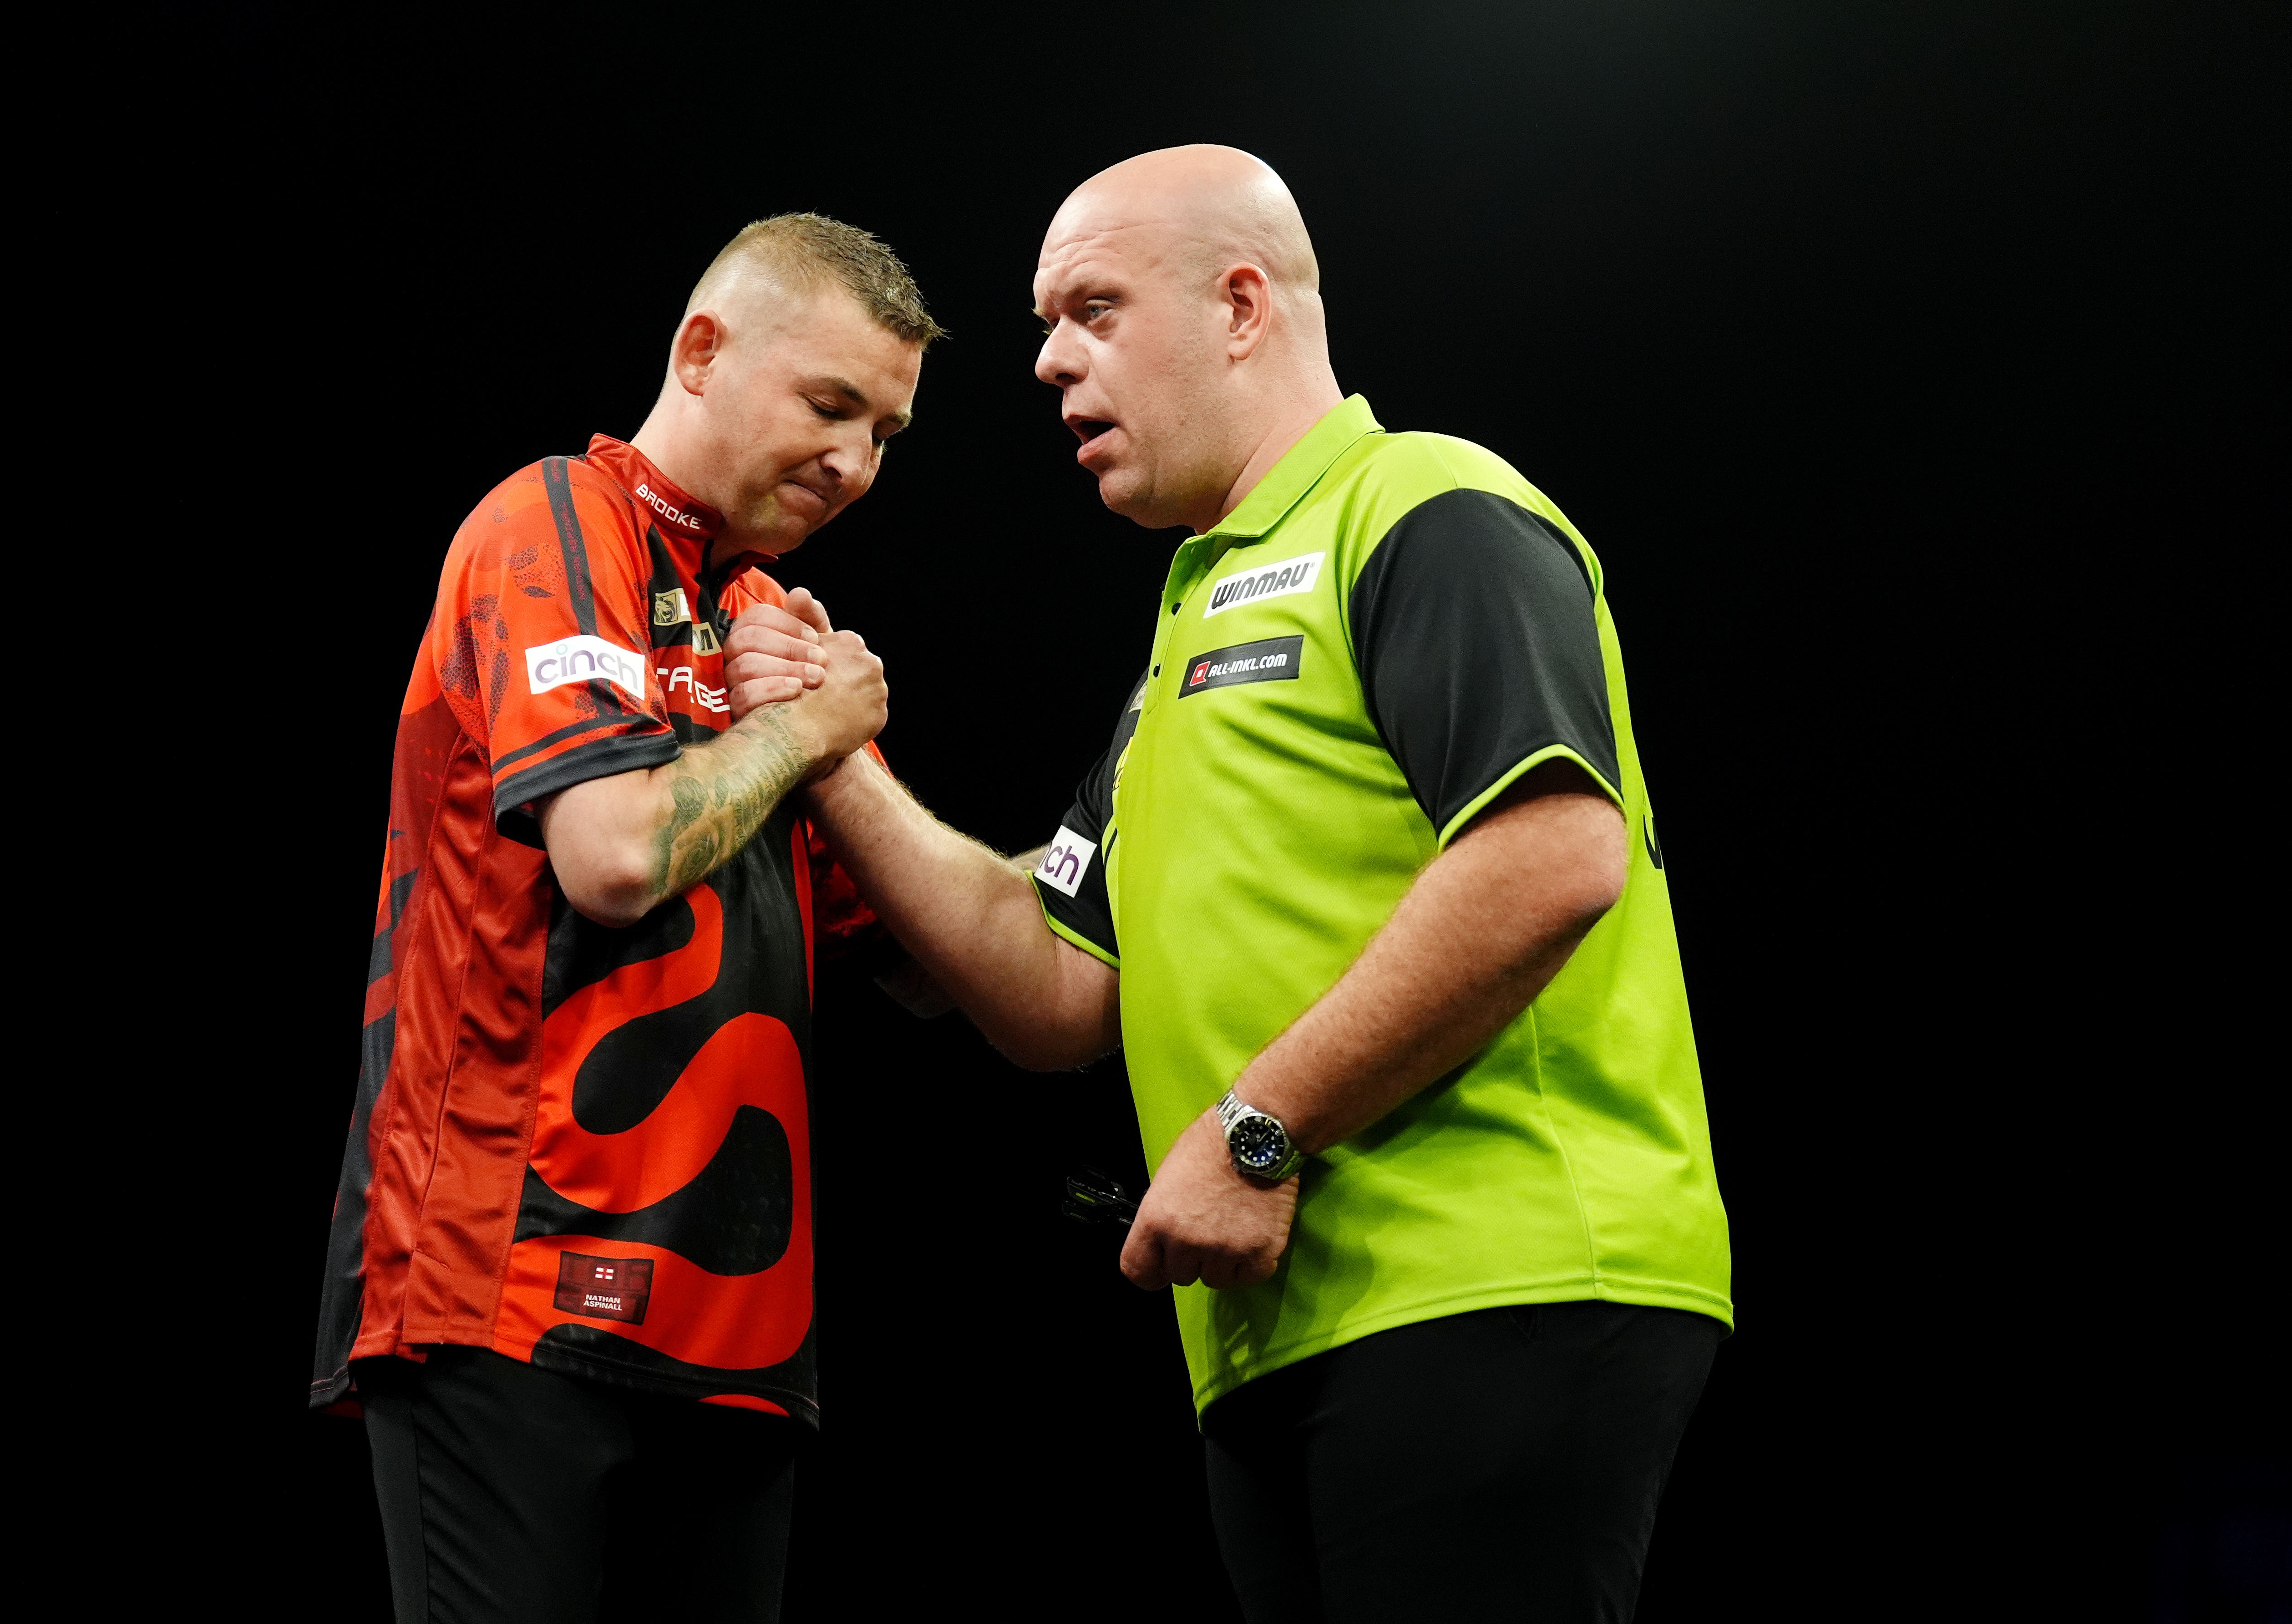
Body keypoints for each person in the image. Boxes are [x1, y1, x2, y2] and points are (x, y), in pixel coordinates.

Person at [731, 149, 1733, 1621]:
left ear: (1244, 305)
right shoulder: (1189, 627)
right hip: (1277, 1331)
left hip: (1498, 1278)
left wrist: (1258, 1132)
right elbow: (1057, 986)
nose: (1049, 361)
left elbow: (1553, 853)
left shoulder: (1426, 504)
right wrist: (834, 757)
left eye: (1090, 310)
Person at [311, 213, 938, 1624]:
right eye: (830, 404)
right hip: (506, 1302)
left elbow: (941, 964)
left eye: (888, 431)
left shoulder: (777, 627)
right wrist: (813, 731)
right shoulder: (550, 521)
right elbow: (610, 856)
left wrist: (1118, 825)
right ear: (702, 352)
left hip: (739, 1345)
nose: (856, 462)